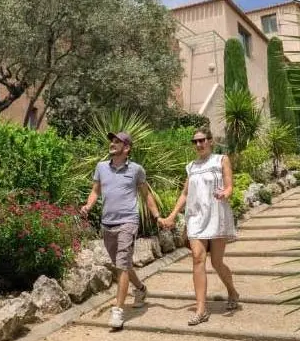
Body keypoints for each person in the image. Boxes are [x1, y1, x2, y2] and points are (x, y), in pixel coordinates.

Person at [81, 131, 160, 330]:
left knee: (122, 264)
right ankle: (140, 289)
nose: (112, 144)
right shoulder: (101, 167)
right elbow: (95, 190)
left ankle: (118, 310)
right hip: (107, 222)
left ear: (127, 148)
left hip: (128, 221)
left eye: (117, 142)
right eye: (112, 141)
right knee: (121, 264)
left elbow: (146, 195)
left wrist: (157, 216)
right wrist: (88, 206)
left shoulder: (136, 170)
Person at [162, 127, 240, 326]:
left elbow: (230, 186)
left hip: (216, 215)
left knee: (216, 262)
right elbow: (185, 194)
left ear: (210, 141)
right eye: (195, 141)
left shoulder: (221, 160)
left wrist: (225, 193)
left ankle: (232, 291)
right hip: (196, 217)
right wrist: (172, 215)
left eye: (202, 140)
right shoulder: (191, 167)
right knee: (197, 258)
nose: (198, 144)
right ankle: (201, 310)